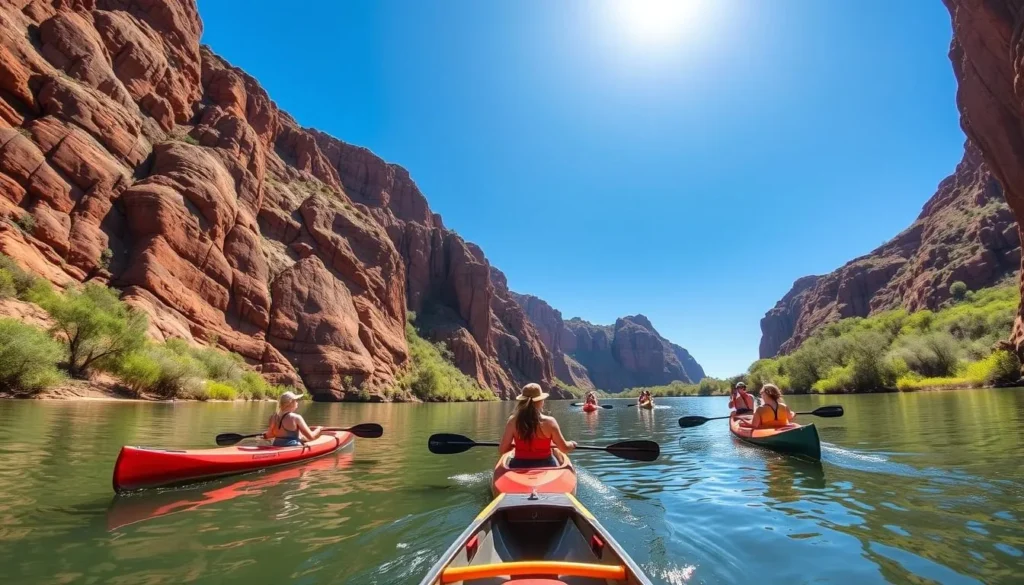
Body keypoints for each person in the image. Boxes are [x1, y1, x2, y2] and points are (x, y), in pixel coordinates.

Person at [499, 383, 577, 469]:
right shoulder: (550, 422)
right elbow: (564, 448)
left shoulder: (513, 421)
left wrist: (515, 446)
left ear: (522, 401)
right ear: (540, 401)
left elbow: (503, 449)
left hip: (518, 464)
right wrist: (572, 444)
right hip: (546, 465)